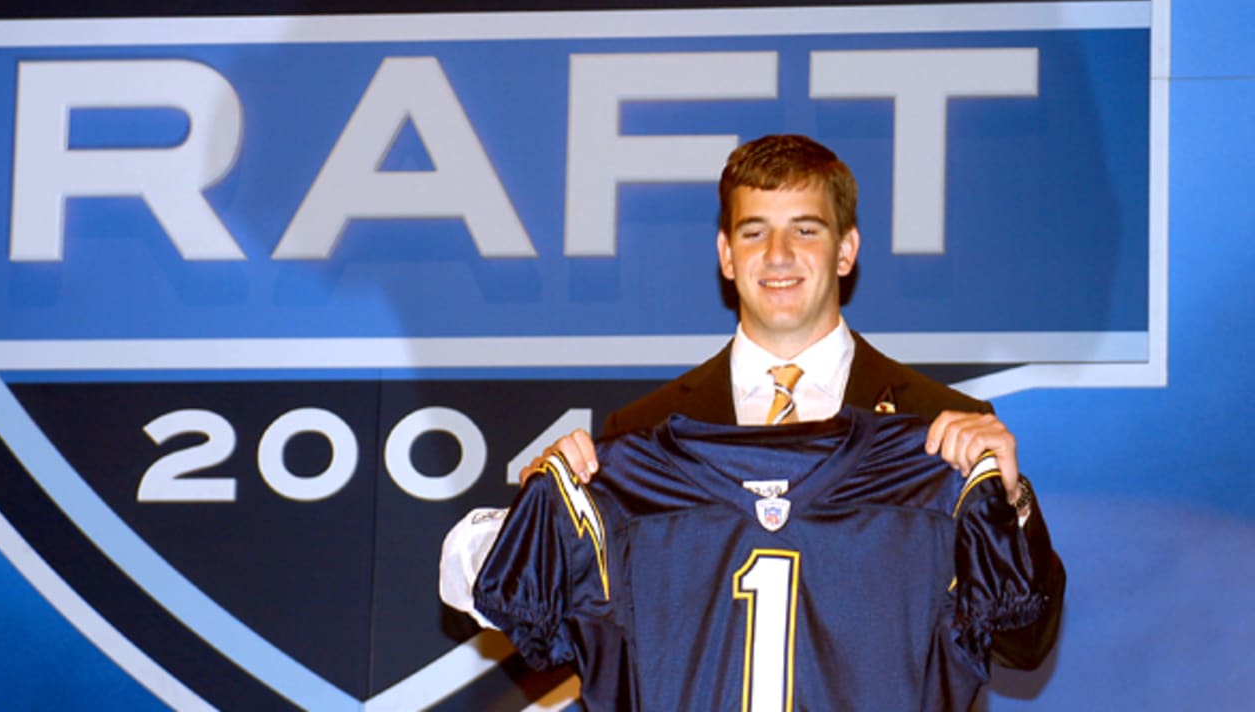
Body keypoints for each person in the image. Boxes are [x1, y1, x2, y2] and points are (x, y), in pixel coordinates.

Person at [443, 133, 1064, 670]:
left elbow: (1024, 645)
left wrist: (1009, 502)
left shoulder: (942, 428)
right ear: (726, 255)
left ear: (846, 250)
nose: (779, 256)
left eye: (805, 229)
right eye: (755, 231)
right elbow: (564, 631)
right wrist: (537, 523)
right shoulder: (639, 435)